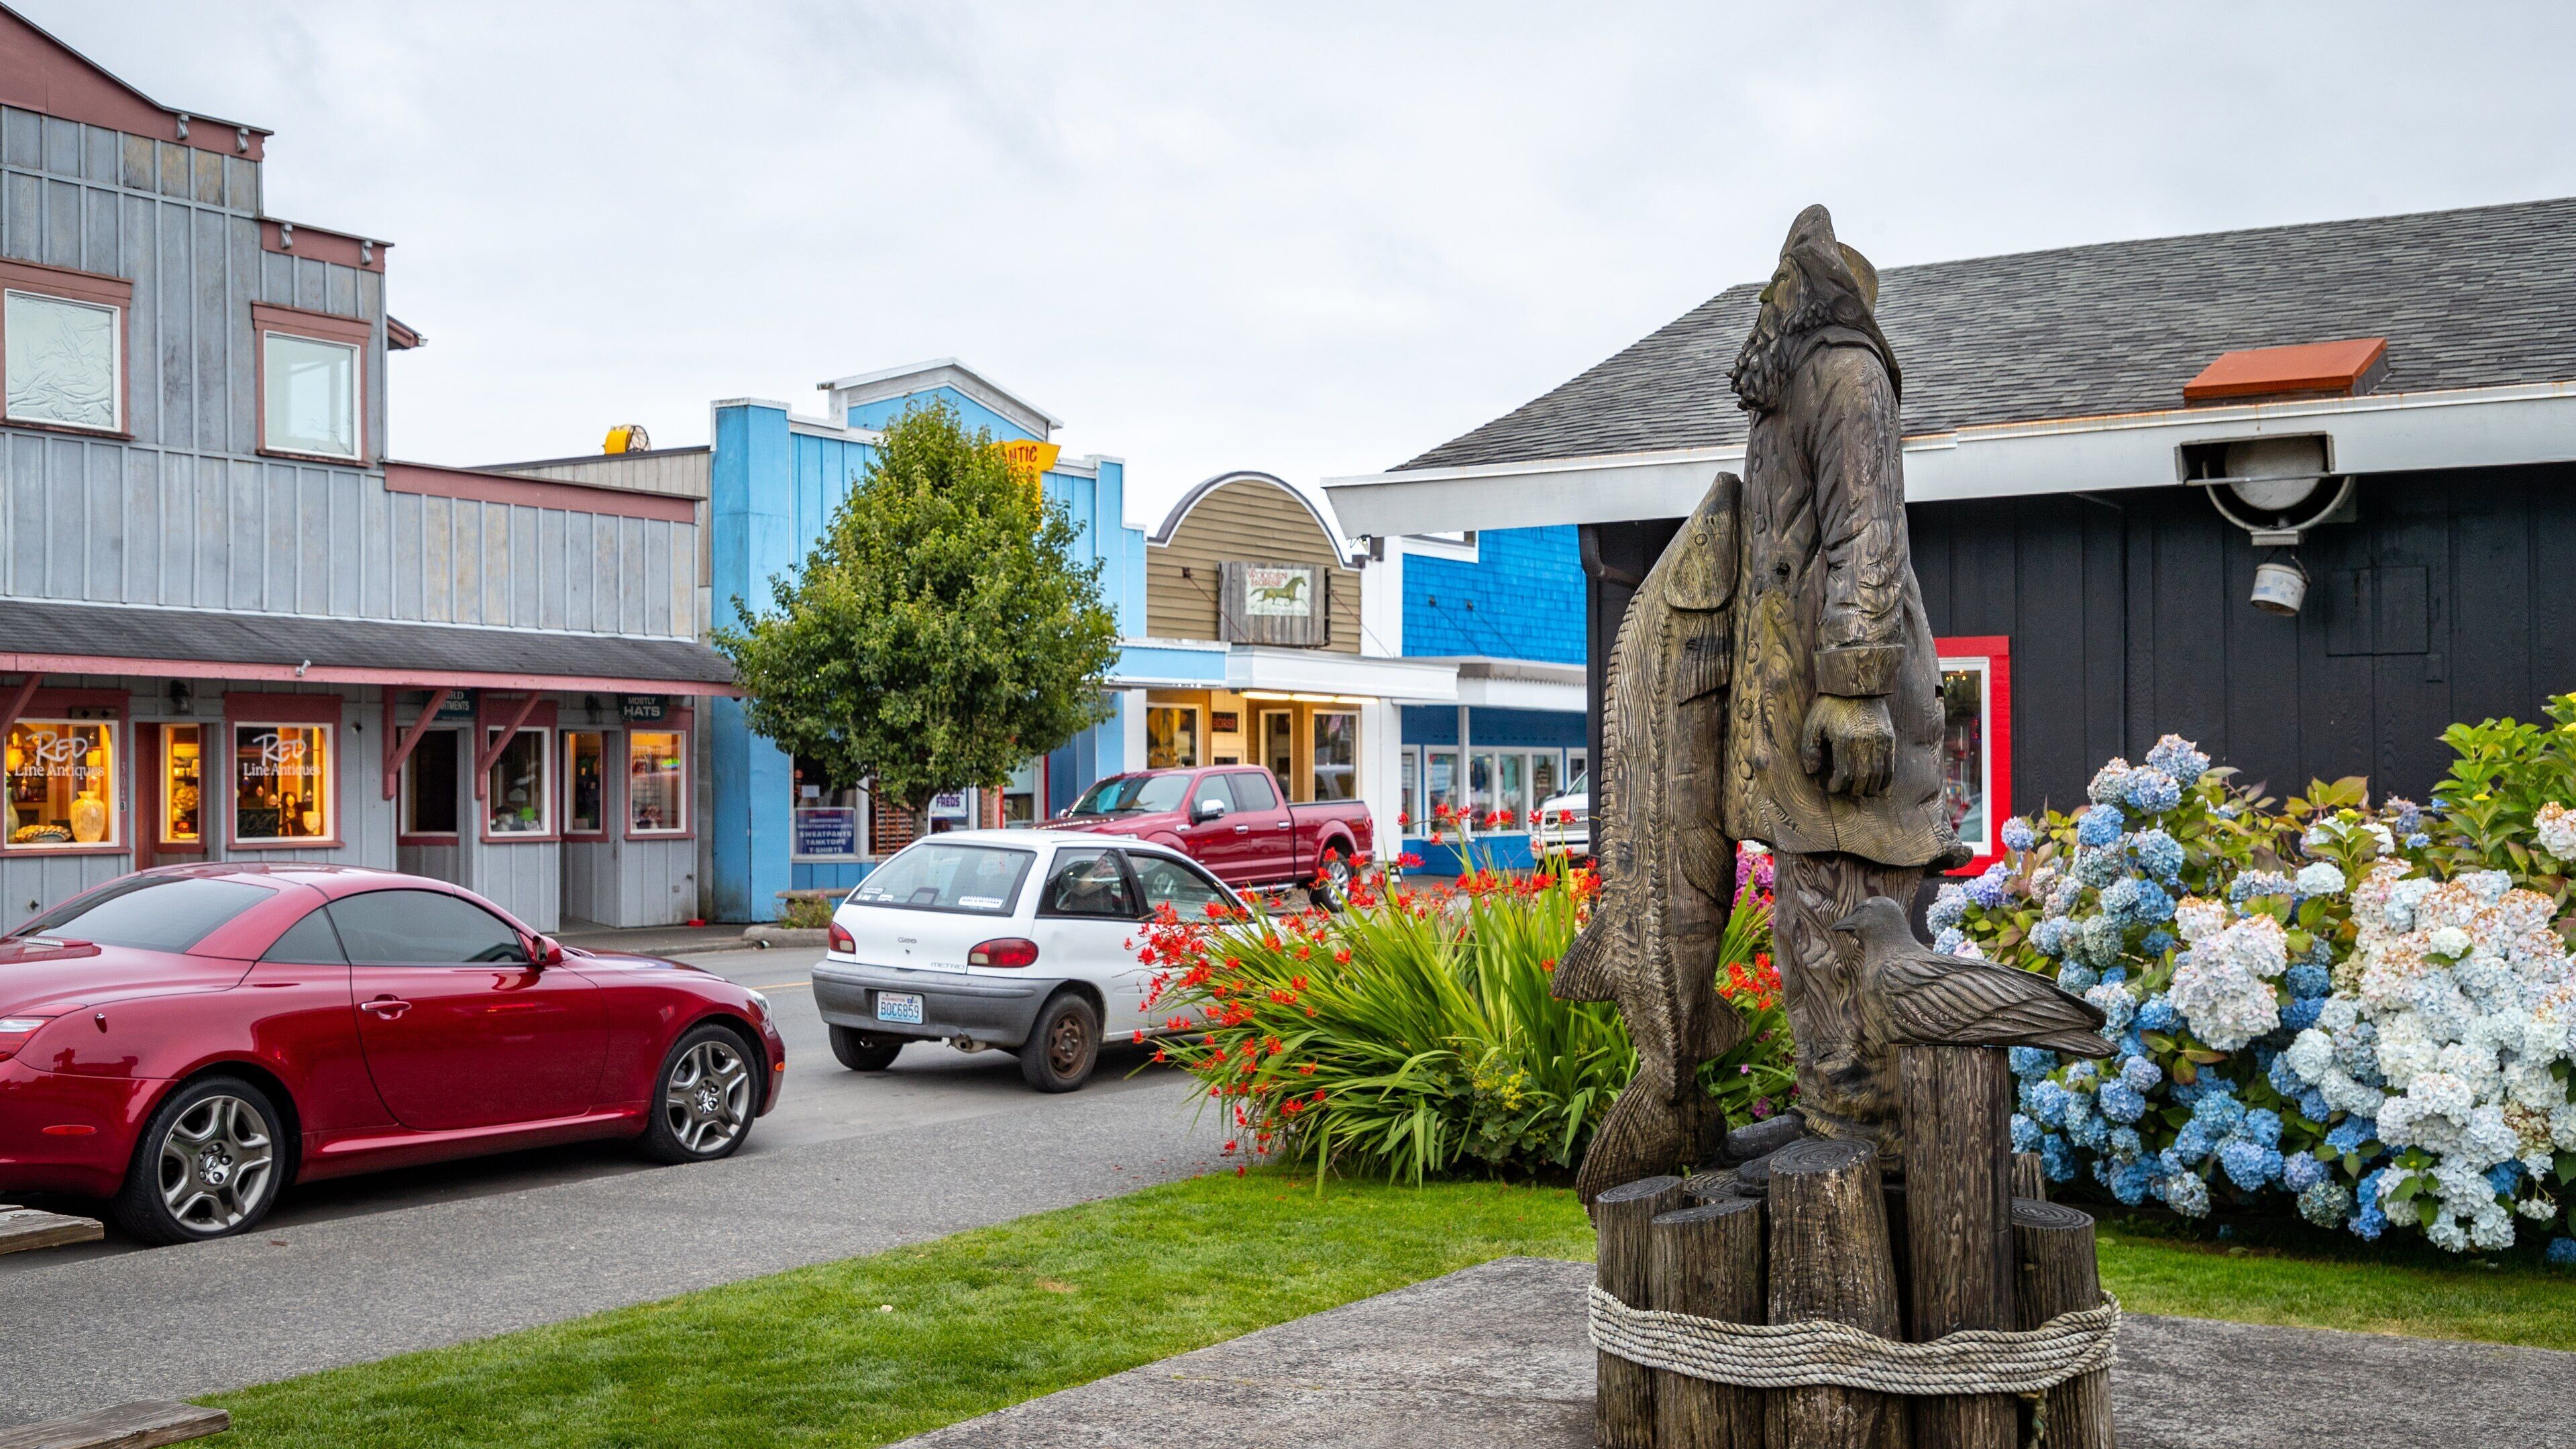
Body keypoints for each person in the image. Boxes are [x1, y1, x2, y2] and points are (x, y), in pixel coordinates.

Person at [1720, 205, 1968, 1165]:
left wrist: (1856, 686)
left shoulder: (1846, 375)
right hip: (1801, 716)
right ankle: (1831, 1103)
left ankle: (1872, 1125)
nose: (1764, 306)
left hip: (1846, 717)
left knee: (1856, 914)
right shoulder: (1794, 391)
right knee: (1812, 912)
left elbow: (1869, 531)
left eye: (1778, 289)